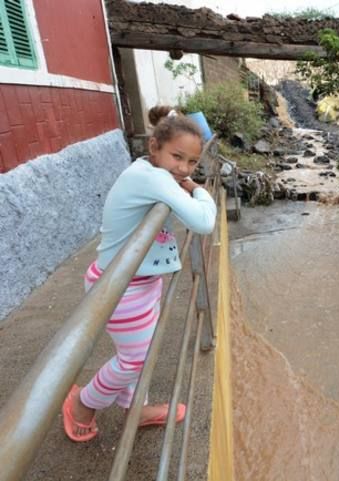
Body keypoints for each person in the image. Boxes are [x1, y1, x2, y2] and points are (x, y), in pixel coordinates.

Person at [61, 106, 217, 442]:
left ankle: (137, 409)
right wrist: (198, 188)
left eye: (192, 162)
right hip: (119, 287)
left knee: (140, 354)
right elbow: (204, 221)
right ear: (154, 148)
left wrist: (186, 183)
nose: (184, 168)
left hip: (139, 280)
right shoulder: (153, 177)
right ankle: (82, 404)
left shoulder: (156, 173)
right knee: (133, 360)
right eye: (177, 156)